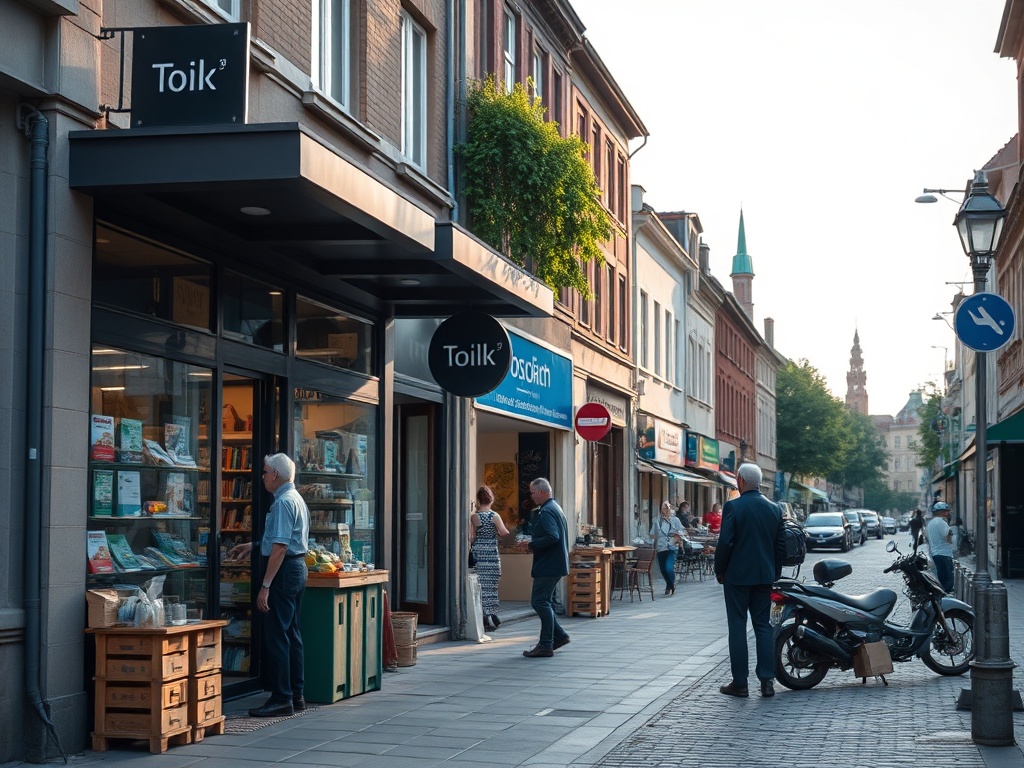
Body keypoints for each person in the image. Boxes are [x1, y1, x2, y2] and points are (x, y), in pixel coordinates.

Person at [228, 453, 310, 717]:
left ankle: (281, 698)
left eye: (264, 472)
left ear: (275, 474)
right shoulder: (295, 498)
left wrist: (265, 585)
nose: (262, 476)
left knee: (276, 635)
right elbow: (281, 541)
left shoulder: (284, 502)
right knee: (292, 634)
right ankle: (296, 695)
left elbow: (281, 546)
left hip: (284, 570)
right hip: (296, 567)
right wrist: (254, 546)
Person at [713, 463, 787, 699]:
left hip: (737, 576)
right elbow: (781, 546)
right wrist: (773, 571)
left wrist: (720, 569)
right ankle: (767, 681)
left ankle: (740, 683)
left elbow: (725, 543)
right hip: (764, 576)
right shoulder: (774, 509)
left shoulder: (734, 507)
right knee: (763, 627)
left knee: (737, 626)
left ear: (741, 481)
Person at [519, 478, 570, 658]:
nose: (531, 497)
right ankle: (559, 636)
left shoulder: (547, 511)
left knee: (539, 602)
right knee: (544, 602)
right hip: (555, 563)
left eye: (532, 493)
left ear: (541, 492)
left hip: (549, 565)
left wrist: (531, 544)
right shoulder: (555, 507)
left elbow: (552, 536)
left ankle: (546, 644)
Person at [470, 485, 510, 632]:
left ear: (479, 500)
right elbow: (504, 532)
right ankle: (492, 614)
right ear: (491, 498)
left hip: (479, 554)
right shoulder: (494, 516)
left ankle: (485, 617)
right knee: (492, 587)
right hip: (492, 554)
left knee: (481, 587)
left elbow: (471, 537)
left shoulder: (474, 517)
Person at [651, 501, 686, 595]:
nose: (666, 508)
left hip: (672, 547)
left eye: (668, 507)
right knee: (662, 569)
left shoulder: (675, 520)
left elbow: (683, 531)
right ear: (661, 508)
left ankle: (671, 584)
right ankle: (669, 585)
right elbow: (652, 534)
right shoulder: (656, 520)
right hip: (661, 547)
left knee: (668, 567)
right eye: (664, 507)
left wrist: (677, 536)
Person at [926, 502, 954, 593]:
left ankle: (942, 592)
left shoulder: (930, 523)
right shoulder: (942, 523)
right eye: (946, 511)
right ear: (941, 512)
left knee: (941, 574)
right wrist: (950, 534)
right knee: (948, 578)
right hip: (944, 553)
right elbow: (947, 538)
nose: (948, 513)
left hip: (935, 552)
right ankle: (947, 595)